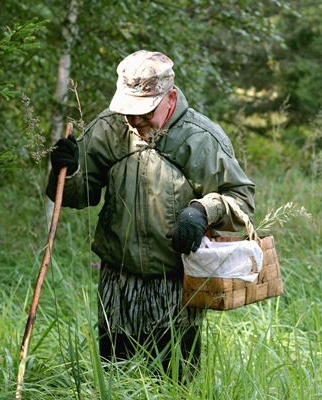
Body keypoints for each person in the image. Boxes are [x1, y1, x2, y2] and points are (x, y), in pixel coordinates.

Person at [46, 50, 255, 381]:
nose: (134, 121)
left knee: (174, 379)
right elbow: (77, 196)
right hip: (117, 282)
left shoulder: (200, 138)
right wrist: (66, 171)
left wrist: (202, 211)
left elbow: (241, 201)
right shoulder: (108, 129)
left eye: (144, 112)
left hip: (176, 286)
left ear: (170, 98)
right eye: (129, 111)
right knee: (115, 378)